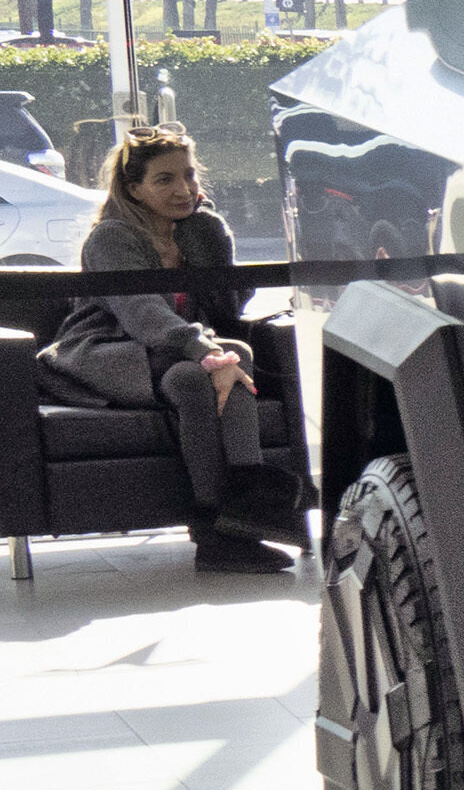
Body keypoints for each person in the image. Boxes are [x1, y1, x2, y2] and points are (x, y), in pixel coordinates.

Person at [50, 125, 302, 575]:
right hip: (108, 351)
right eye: (164, 179)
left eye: (188, 175)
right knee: (234, 355)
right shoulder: (112, 237)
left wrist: (214, 243)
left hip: (179, 356)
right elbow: (142, 315)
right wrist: (211, 355)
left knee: (195, 377)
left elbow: (227, 306)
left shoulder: (197, 231)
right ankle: (241, 517)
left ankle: (219, 531)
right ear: (134, 189)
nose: (183, 188)